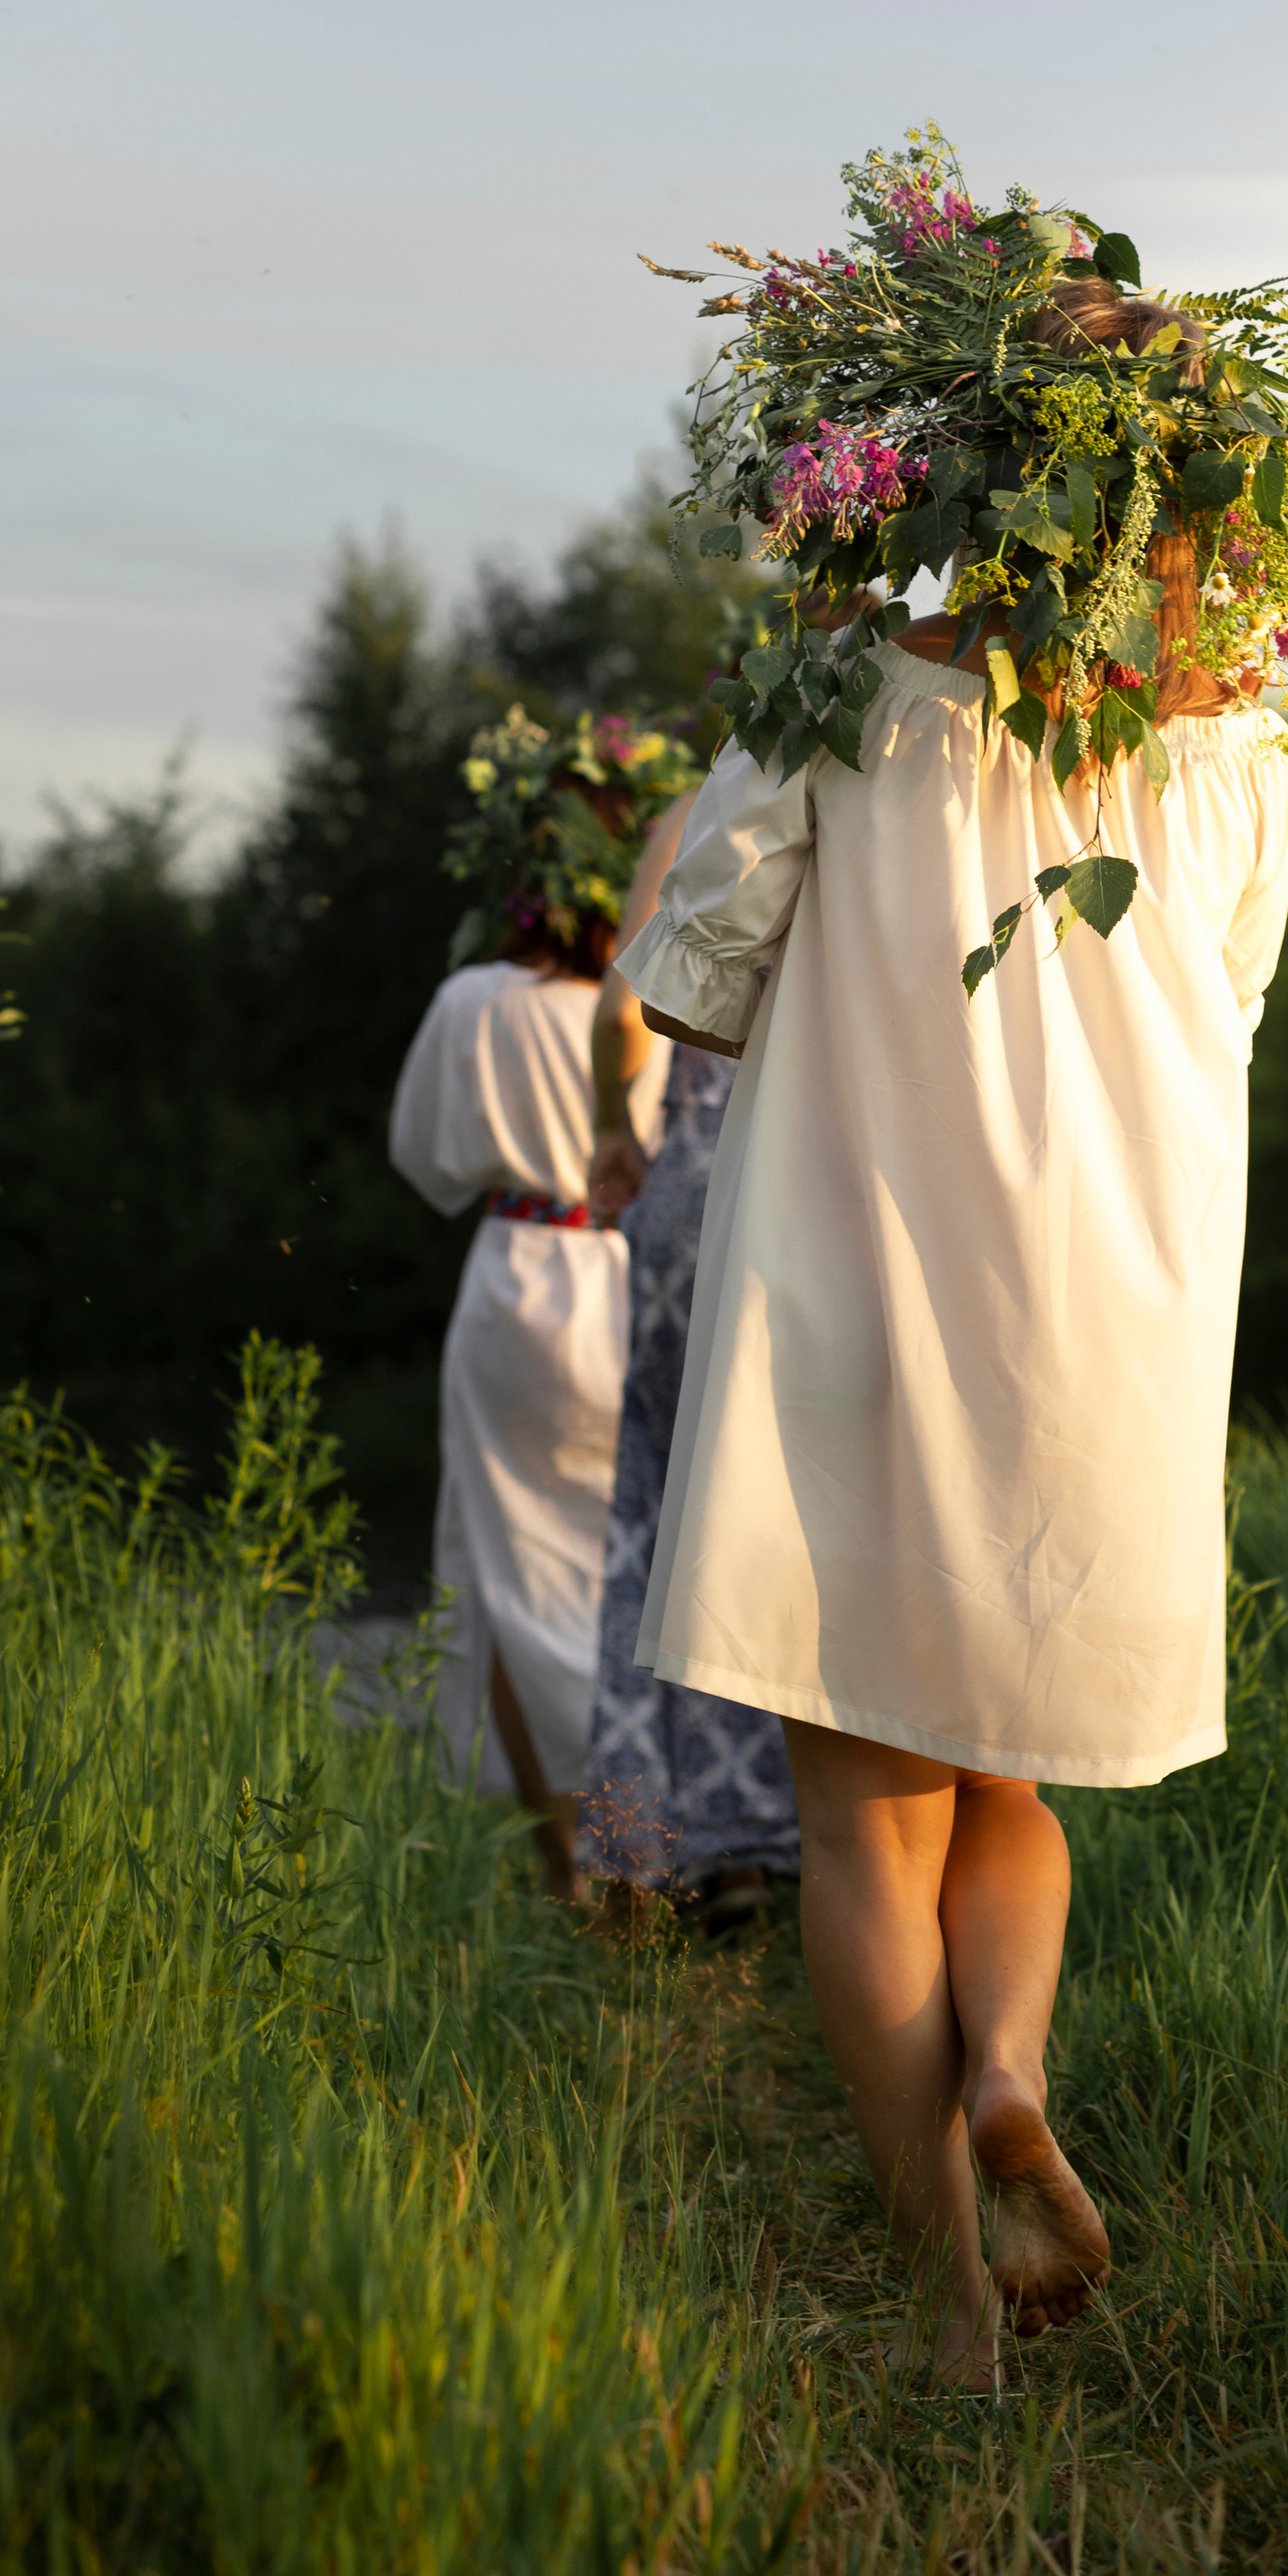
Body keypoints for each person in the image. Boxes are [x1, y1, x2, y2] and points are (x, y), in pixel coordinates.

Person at [613, 315, 1288, 2381]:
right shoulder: (1241, 740)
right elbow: (1231, 1006)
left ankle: (943, 2302)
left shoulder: (852, 694)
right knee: (1003, 1760)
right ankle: (1005, 2070)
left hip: (861, 1278)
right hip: (1106, 1317)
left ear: (948, 473)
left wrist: (817, 649)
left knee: (862, 1809)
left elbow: (684, 989)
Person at [389, 710, 692, 1897]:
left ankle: (574, 1859)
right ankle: (651, 1854)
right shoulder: (669, 993)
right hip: (639, 1278)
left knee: (510, 1573)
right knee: (644, 1570)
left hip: (518, 1278)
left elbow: (425, 1157)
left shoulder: (475, 1001)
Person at [579, 791, 801, 1918]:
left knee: (664, 1505)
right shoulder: (899, 793)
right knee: (790, 1507)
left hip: (697, 1183)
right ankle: (787, 1837)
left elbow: (627, 1012)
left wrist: (613, 1128)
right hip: (810, 1188)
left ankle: (651, 1840)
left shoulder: (709, 808)